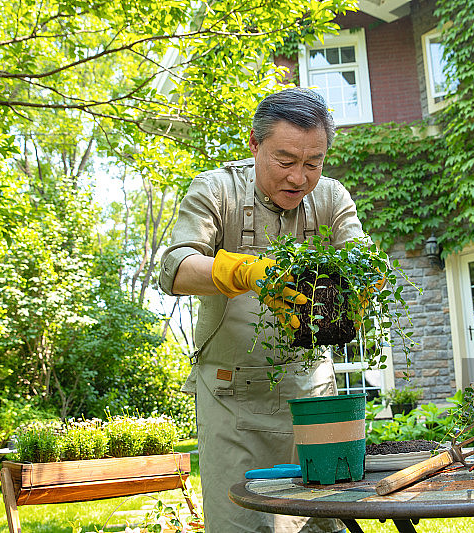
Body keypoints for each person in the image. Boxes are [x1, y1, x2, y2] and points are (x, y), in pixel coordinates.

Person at [159, 88, 363, 533]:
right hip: (231, 398)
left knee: (320, 521)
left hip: (312, 395)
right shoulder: (216, 190)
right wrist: (244, 272)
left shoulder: (331, 198)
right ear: (254, 144)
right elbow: (175, 269)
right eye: (285, 161)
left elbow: (361, 257)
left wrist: (365, 282)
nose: (299, 177)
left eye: (313, 163)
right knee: (241, 523)